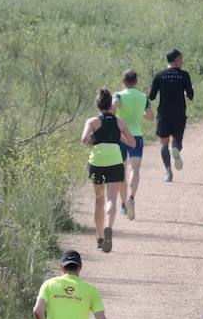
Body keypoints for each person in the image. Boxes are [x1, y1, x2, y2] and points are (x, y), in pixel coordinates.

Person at [81, 88, 136, 253]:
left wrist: (94, 142)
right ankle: (109, 227)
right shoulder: (120, 123)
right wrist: (119, 137)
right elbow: (132, 143)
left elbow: (84, 139)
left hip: (97, 162)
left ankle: (99, 238)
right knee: (111, 198)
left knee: (99, 200)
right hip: (115, 161)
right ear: (111, 105)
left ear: (98, 105)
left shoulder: (92, 122)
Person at [148, 49, 194, 182]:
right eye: (181, 59)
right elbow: (190, 95)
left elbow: (151, 96)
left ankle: (168, 172)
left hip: (163, 114)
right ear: (176, 60)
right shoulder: (184, 75)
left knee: (163, 143)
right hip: (179, 113)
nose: (182, 61)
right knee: (177, 141)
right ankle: (176, 150)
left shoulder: (159, 75)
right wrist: (186, 92)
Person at [115, 69, 153, 218]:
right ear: (136, 82)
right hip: (136, 136)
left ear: (123, 82)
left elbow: (112, 107)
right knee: (135, 169)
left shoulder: (119, 95)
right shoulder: (143, 97)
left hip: (120, 135)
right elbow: (151, 117)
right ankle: (132, 198)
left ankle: (123, 205)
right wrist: (139, 113)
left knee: (121, 171)